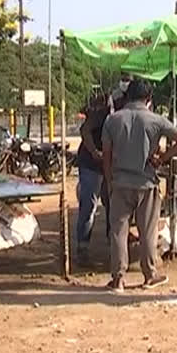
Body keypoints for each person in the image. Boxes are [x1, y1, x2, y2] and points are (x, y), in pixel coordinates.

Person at [102, 78, 177, 292]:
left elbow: (106, 155)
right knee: (147, 231)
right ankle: (150, 274)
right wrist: (162, 158)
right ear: (148, 99)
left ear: (127, 96)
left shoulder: (112, 120)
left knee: (118, 232)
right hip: (147, 182)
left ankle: (118, 279)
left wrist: (109, 179)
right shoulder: (156, 120)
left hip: (120, 182)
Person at [74, 92, 111, 265]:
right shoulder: (103, 113)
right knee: (89, 205)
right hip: (91, 164)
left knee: (113, 205)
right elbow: (85, 130)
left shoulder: (123, 114)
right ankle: (82, 247)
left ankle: (114, 246)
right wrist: (95, 153)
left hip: (109, 165)